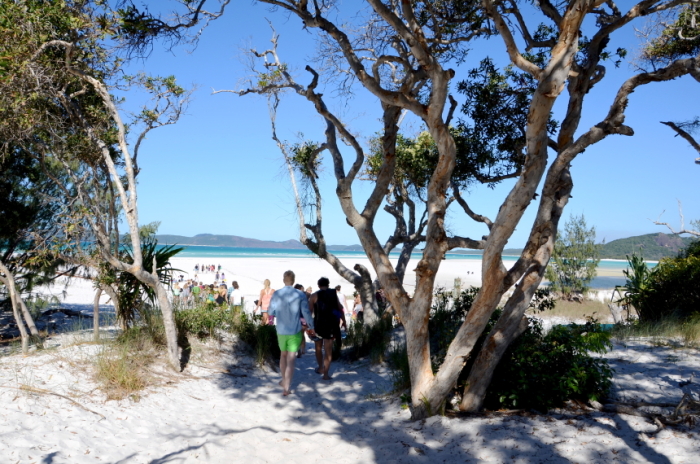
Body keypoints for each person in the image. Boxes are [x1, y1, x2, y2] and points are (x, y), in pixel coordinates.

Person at [268, 270, 316, 396]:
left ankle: (284, 381)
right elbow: (305, 312)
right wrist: (311, 325)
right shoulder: (300, 294)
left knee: (283, 356)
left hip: (281, 330)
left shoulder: (277, 294)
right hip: (295, 330)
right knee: (291, 359)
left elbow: (270, 311)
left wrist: (275, 315)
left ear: (284, 280)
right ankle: (287, 388)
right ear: (293, 280)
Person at [309, 277, 345, 380]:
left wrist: (309, 326)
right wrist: (344, 321)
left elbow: (309, 312)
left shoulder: (314, 296)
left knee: (318, 347)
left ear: (318, 285)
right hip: (331, 325)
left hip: (318, 325)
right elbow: (340, 307)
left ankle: (320, 367)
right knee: (328, 351)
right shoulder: (333, 294)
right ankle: (326, 374)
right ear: (328, 284)